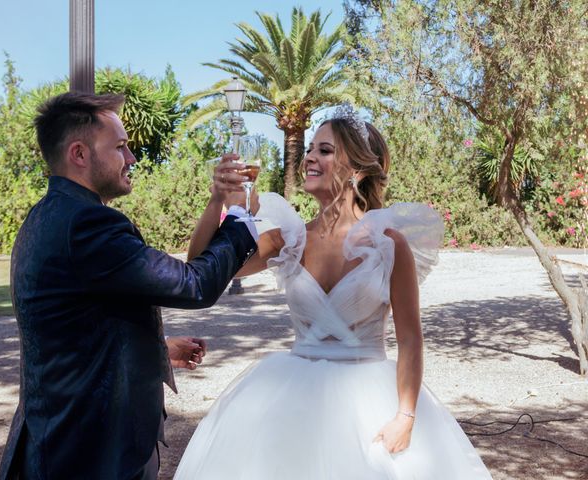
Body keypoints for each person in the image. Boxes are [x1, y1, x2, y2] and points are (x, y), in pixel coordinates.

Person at [174, 105, 493, 479]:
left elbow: (410, 339)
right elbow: (201, 270)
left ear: (355, 169)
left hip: (369, 399)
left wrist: (406, 415)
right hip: (290, 395)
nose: (309, 157)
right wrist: (217, 201)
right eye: (310, 149)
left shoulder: (388, 244)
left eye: (324, 150)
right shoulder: (288, 239)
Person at [0, 92, 258, 480]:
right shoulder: (88, 225)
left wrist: (156, 350)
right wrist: (239, 217)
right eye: (120, 147)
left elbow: (73, 329)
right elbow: (194, 285)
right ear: (80, 154)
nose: (132, 158)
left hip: (57, 441)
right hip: (90, 453)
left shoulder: (45, 217)